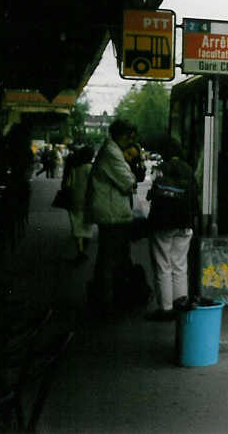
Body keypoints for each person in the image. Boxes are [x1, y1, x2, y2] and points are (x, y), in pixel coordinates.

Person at [87, 119, 139, 314]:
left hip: (113, 212)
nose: (131, 141)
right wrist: (132, 177)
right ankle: (107, 301)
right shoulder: (111, 152)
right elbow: (128, 182)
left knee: (110, 257)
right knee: (111, 258)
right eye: (130, 136)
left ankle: (109, 298)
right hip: (112, 214)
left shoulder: (112, 150)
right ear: (121, 135)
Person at [145, 139, 198, 321]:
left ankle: (166, 308)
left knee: (163, 265)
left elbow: (153, 194)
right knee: (180, 265)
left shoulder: (163, 168)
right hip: (185, 222)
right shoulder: (188, 169)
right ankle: (180, 305)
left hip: (163, 223)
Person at [64, 145, 95, 263]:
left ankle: (80, 251)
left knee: (77, 226)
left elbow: (68, 184)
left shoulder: (75, 169)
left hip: (75, 200)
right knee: (87, 226)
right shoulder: (91, 168)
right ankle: (83, 250)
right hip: (88, 200)